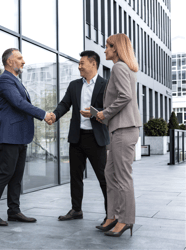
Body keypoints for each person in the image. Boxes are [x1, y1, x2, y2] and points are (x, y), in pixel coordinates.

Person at [0, 48, 54, 226]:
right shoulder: (5, 80)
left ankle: (14, 211)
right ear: (9, 61)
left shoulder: (16, 81)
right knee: (5, 173)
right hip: (8, 136)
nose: (23, 61)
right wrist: (43, 114)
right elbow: (19, 103)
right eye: (20, 58)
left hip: (19, 136)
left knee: (16, 176)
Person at [49, 51, 109, 225]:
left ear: (93, 64)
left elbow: (110, 109)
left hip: (96, 139)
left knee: (103, 178)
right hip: (77, 138)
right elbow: (64, 104)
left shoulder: (106, 85)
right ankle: (76, 210)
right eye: (79, 63)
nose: (79, 66)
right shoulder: (74, 85)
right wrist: (54, 115)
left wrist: (95, 113)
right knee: (75, 176)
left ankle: (110, 214)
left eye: (82, 63)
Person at [95, 33, 142, 237]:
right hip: (119, 128)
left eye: (107, 46)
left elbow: (125, 96)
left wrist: (104, 113)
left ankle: (126, 220)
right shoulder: (124, 68)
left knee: (122, 177)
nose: (104, 50)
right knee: (110, 174)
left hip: (124, 129)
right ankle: (113, 215)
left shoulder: (119, 67)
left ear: (115, 48)